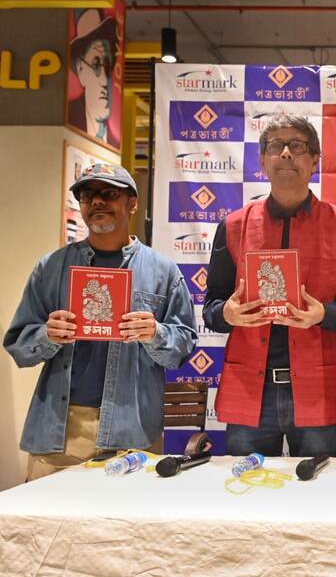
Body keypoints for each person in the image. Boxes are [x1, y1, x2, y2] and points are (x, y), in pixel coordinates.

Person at [4, 163, 197, 480]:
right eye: (87, 195)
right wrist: (45, 334)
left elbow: (183, 348)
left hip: (133, 429)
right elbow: (19, 346)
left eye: (108, 194)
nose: (96, 202)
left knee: (127, 528)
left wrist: (156, 333)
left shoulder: (163, 272)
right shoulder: (51, 267)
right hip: (59, 431)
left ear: (132, 204)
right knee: (45, 527)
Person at [203, 115, 336, 457]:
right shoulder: (234, 225)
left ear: (314, 160)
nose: (285, 154)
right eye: (275, 146)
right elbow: (211, 307)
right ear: (262, 160)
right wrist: (228, 313)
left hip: (318, 387)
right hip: (250, 387)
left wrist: (324, 314)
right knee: (245, 494)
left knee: (315, 495)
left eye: (297, 146)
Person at [67, 9, 118, 149]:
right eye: (96, 65)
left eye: (107, 67)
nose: (103, 80)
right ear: (80, 69)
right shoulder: (70, 118)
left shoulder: (115, 139)